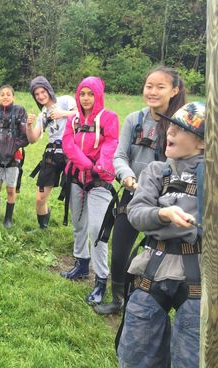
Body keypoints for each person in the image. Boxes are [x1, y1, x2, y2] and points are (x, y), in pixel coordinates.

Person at [117, 102, 205, 368]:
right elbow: (136, 213)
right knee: (134, 355)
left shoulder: (211, 177)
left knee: (191, 358)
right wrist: (165, 215)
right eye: (172, 127)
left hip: (199, 277)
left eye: (180, 129)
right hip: (151, 270)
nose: (171, 133)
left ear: (202, 142)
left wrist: (179, 223)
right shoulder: (157, 171)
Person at [94, 67, 186, 315]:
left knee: (157, 254)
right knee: (120, 251)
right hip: (132, 195)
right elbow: (120, 155)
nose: (152, 91)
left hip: (167, 200)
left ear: (174, 90)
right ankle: (118, 299)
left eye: (160, 87)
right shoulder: (135, 120)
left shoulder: (181, 125)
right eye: (149, 86)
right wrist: (126, 176)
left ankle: (152, 303)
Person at [60, 76, 119, 305]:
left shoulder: (109, 118)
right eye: (82, 94)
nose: (86, 98)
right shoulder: (73, 119)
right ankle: (81, 264)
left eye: (90, 94)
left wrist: (100, 167)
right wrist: (87, 166)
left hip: (101, 180)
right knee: (79, 223)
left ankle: (101, 279)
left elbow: (111, 143)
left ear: (98, 95)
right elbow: (68, 144)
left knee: (97, 229)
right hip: (78, 176)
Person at [26, 76, 77, 229]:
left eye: (43, 91)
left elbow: (84, 115)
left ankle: (79, 231)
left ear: (49, 89)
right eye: (37, 94)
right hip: (52, 154)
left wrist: (63, 114)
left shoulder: (66, 101)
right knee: (40, 198)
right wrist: (28, 126)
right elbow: (33, 139)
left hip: (72, 153)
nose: (41, 96)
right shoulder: (43, 114)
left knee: (74, 195)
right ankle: (43, 228)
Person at [0, 85, 28, 229]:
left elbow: (25, 135)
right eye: (2, 94)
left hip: (14, 157)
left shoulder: (20, 111)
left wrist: (13, 147)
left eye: (8, 94)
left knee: (10, 189)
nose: (5, 96)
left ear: (13, 97)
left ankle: (8, 219)